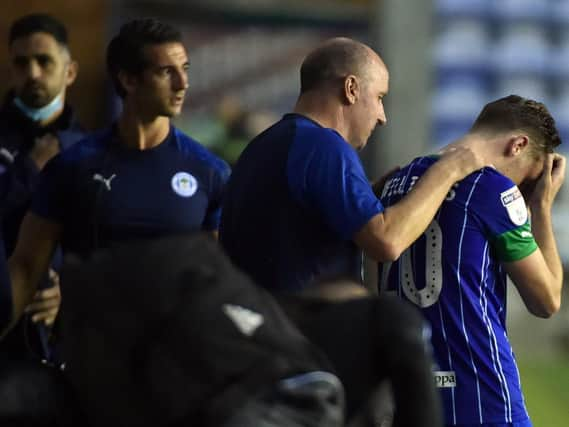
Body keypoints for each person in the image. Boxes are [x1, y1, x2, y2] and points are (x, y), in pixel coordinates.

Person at [4, 18, 230, 336]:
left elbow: (219, 283)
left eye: (185, 69)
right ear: (128, 80)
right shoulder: (73, 167)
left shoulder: (209, 171)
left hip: (175, 362)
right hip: (92, 359)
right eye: (166, 72)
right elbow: (26, 270)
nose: (182, 83)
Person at [219, 37, 488, 293]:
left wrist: (366, 192)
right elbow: (386, 240)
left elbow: (293, 216)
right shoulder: (323, 146)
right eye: (379, 97)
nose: (382, 117)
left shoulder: (269, 143)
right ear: (351, 89)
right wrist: (447, 171)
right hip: (297, 330)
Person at [380, 95, 565, 426]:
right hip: (479, 391)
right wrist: (541, 205)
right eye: (527, 179)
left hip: (409, 391)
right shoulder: (492, 188)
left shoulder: (396, 183)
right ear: (518, 145)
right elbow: (546, 300)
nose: (521, 189)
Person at [0, 13, 84, 361]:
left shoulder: (92, 152)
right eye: (22, 63)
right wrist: (29, 171)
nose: (32, 73)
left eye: (44, 61)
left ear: (70, 71)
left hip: (64, 346)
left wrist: (71, 291)